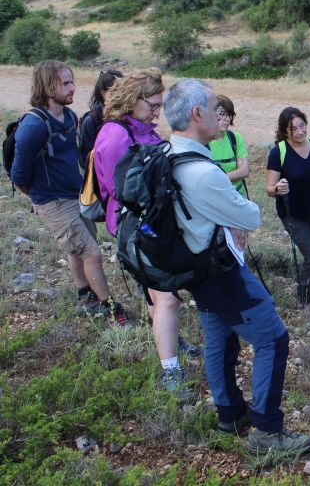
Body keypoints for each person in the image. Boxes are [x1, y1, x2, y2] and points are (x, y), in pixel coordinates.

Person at [163, 78, 310, 454]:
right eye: (215, 108)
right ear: (197, 114)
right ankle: (266, 432)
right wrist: (233, 211)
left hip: (196, 268)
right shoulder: (203, 172)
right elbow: (249, 216)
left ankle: (230, 413)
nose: (220, 115)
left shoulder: (169, 153)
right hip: (221, 271)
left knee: (219, 336)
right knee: (273, 339)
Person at [92, 67, 200, 399]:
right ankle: (171, 371)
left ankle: (169, 342)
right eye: (153, 105)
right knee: (167, 296)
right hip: (138, 228)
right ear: (134, 99)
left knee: (157, 294)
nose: (157, 112)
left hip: (153, 224)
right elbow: (120, 189)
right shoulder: (115, 135)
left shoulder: (140, 129)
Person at [11, 60, 127, 325]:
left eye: (72, 81)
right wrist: (41, 199)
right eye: (65, 83)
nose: (73, 87)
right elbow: (19, 175)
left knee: (78, 248)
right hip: (52, 201)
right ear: (46, 85)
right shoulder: (33, 126)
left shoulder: (70, 117)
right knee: (92, 253)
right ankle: (109, 309)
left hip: (74, 195)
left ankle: (85, 294)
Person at [265, 107, 310, 307]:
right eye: (294, 129)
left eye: (303, 125)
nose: (300, 131)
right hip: (292, 213)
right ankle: (304, 296)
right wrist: (277, 188)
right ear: (286, 131)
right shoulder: (279, 152)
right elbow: (269, 188)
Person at [78, 69, 122, 167]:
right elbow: (85, 159)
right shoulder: (90, 121)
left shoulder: (127, 116)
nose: (120, 94)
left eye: (123, 90)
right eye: (115, 90)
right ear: (103, 92)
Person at [209, 95, 250, 198]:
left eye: (230, 115)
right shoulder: (203, 142)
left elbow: (245, 171)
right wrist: (235, 173)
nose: (227, 119)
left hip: (240, 198)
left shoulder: (235, 138)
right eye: (222, 114)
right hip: (217, 200)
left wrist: (217, 180)